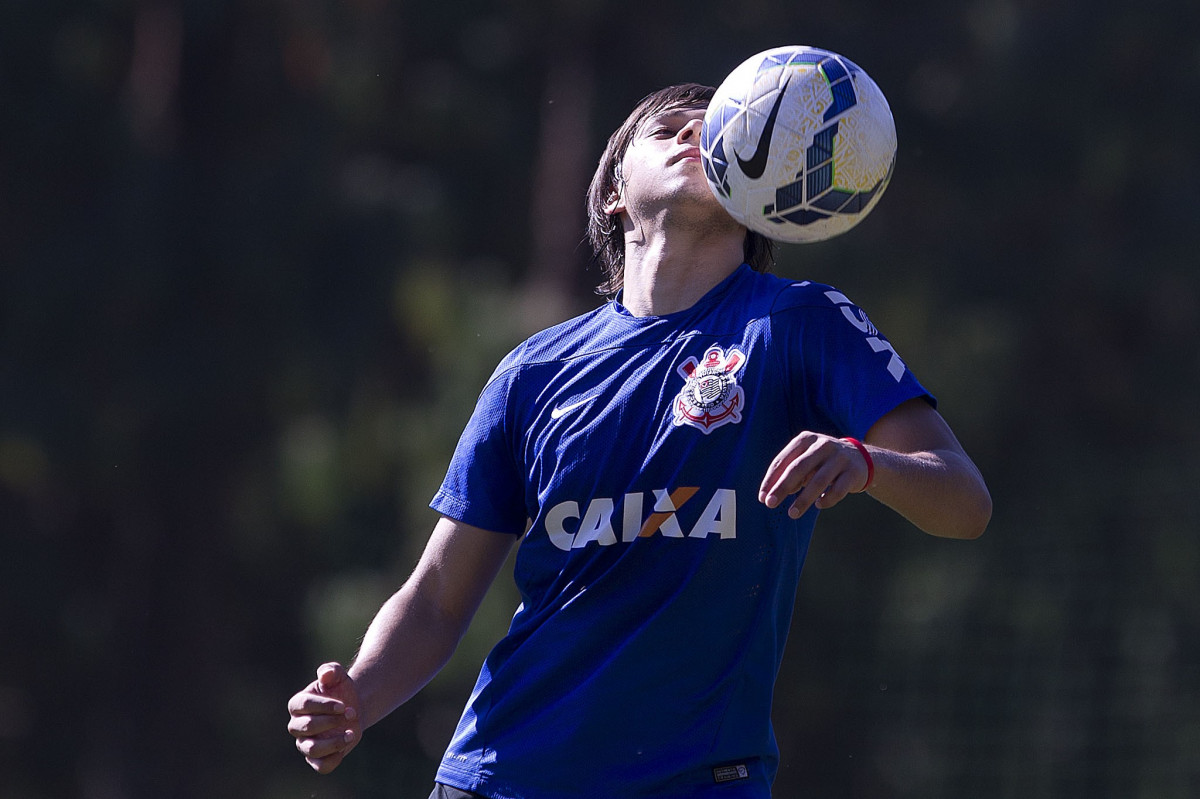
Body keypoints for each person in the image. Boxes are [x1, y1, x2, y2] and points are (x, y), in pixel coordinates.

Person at [287, 82, 992, 798]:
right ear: (615, 193)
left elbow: (964, 501)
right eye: (669, 129)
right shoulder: (532, 372)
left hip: (695, 781)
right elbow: (438, 597)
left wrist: (866, 462)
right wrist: (360, 698)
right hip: (500, 775)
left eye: (715, 128)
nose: (696, 135)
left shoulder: (801, 323)